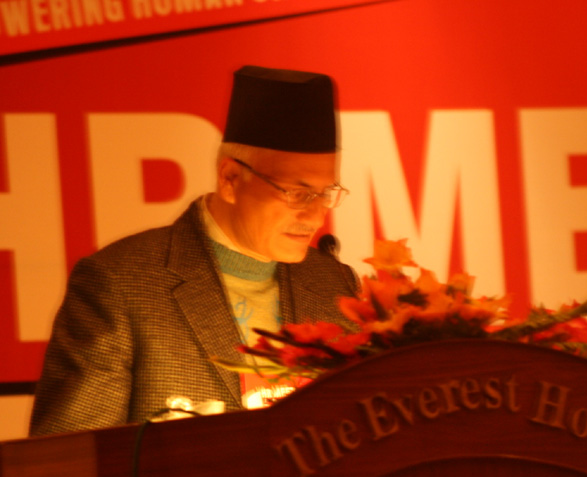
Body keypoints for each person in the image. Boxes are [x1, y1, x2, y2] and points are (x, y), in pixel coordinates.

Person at [29, 66, 359, 436]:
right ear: (230, 179)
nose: (316, 216)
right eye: (298, 194)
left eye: (326, 193)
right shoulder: (120, 284)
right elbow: (70, 457)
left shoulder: (334, 284)